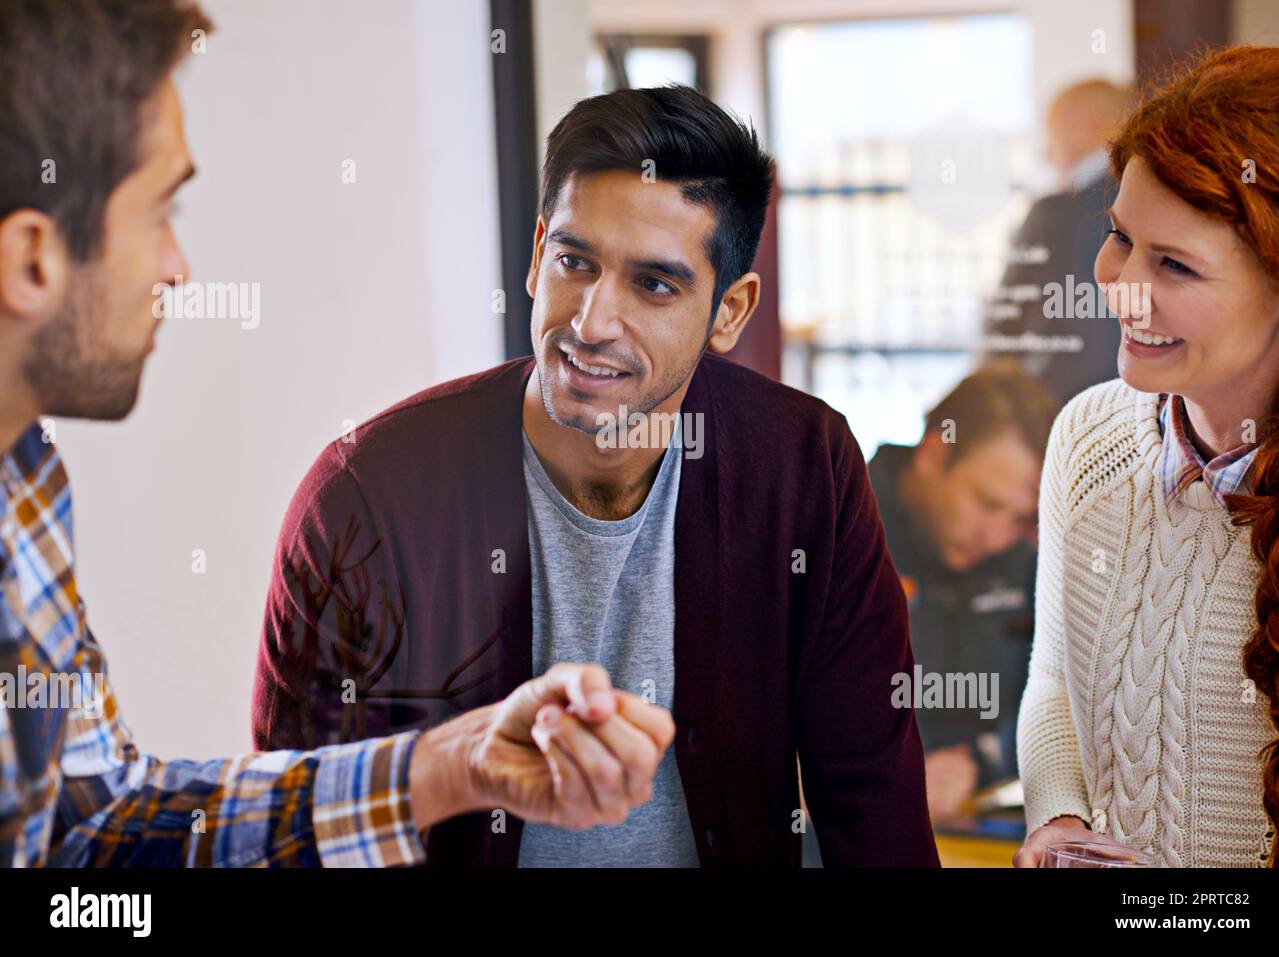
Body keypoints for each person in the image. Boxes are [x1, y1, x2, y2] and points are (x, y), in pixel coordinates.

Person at [0, 0, 673, 868]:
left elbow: (91, 831)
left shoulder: (26, 479)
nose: (178, 267)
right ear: (30, 261)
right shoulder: (368, 490)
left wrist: (454, 765)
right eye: (160, 212)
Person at [254, 84, 939, 867]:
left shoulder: (805, 466)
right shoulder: (368, 500)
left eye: (653, 284)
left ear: (731, 311)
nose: (590, 323)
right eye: (575, 262)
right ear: (538, 251)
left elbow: (875, 808)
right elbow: (294, 826)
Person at [1015, 45, 1279, 868]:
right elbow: (1056, 678)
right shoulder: (1088, 437)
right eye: (1119, 237)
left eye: (1174, 264)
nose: (1120, 285)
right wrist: (1058, 816)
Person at [869, 367, 1057, 822]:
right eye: (987, 503)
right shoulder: (834, 526)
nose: (996, 537)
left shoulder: (1035, 559)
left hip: (993, 832)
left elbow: (1063, 700)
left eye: (1018, 519)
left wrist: (982, 760)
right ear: (935, 452)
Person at [984, 79, 1131, 407]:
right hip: (1145, 403)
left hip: (1060, 405)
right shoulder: (1159, 203)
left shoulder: (1053, 213)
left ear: (1084, 125)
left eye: (1052, 133)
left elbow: (1006, 321)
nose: (1046, 153)